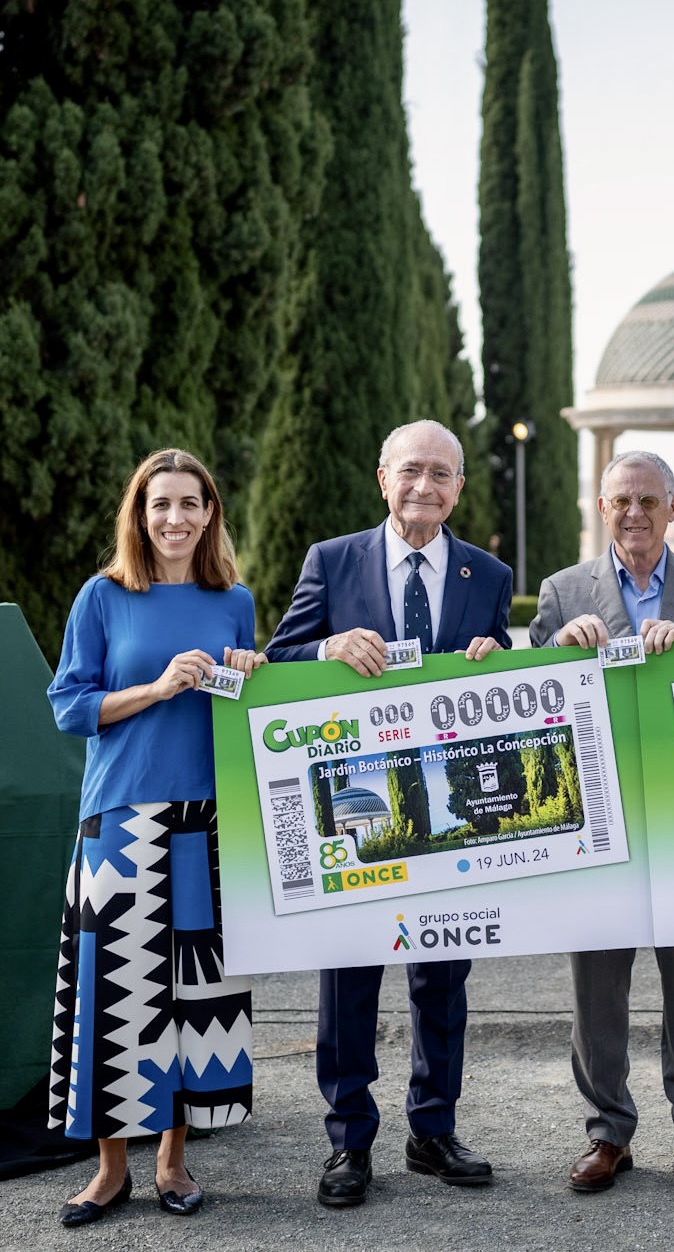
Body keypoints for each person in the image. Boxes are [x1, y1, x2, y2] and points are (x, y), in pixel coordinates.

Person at [265, 419, 512, 1207]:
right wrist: (327, 649)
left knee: (442, 975)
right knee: (349, 978)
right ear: (383, 478)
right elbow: (278, 661)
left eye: (441, 475)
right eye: (411, 472)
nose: (424, 487)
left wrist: (500, 658)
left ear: (458, 489)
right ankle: (348, 1143)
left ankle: (432, 1131)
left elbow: (503, 675)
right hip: (355, 809)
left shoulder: (488, 574)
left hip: (448, 817)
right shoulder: (330, 562)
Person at [47, 448, 265, 1226]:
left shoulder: (232, 600)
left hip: (207, 823)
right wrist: (156, 686)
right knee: (115, 998)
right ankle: (109, 1174)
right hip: (120, 823)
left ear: (210, 515)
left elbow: (246, 705)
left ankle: (174, 1165)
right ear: (139, 515)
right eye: (160, 504)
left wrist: (250, 667)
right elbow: (69, 706)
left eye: (189, 504)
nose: (175, 518)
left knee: (192, 1000)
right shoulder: (103, 598)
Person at [529, 449, 674, 1200]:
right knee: (595, 987)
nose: (634, 513)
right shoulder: (563, 592)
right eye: (621, 500)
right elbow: (521, 696)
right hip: (595, 820)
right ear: (601, 507)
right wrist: (556, 649)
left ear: (673, 508)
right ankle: (607, 1134)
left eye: (648, 501)